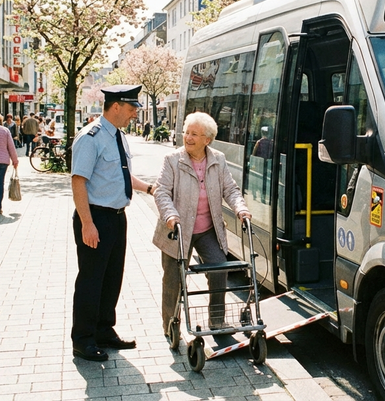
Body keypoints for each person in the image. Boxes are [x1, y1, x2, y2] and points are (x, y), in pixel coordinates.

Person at [70, 85, 156, 362]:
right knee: (91, 281)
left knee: (111, 279)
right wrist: (87, 223)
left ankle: (104, 330)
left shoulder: (118, 136)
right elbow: (78, 181)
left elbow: (123, 176)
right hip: (96, 217)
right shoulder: (90, 137)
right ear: (116, 106)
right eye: (131, 109)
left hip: (118, 218)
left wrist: (151, 189)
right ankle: (83, 339)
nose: (134, 115)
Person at [153, 111, 251, 335]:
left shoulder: (218, 159)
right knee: (173, 279)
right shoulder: (173, 160)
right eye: (187, 132)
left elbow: (230, 189)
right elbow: (162, 192)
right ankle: (170, 325)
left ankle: (217, 321)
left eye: (194, 134)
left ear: (207, 139)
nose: (188, 137)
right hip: (176, 230)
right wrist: (170, 214)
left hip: (207, 230)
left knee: (219, 269)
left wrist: (241, 208)